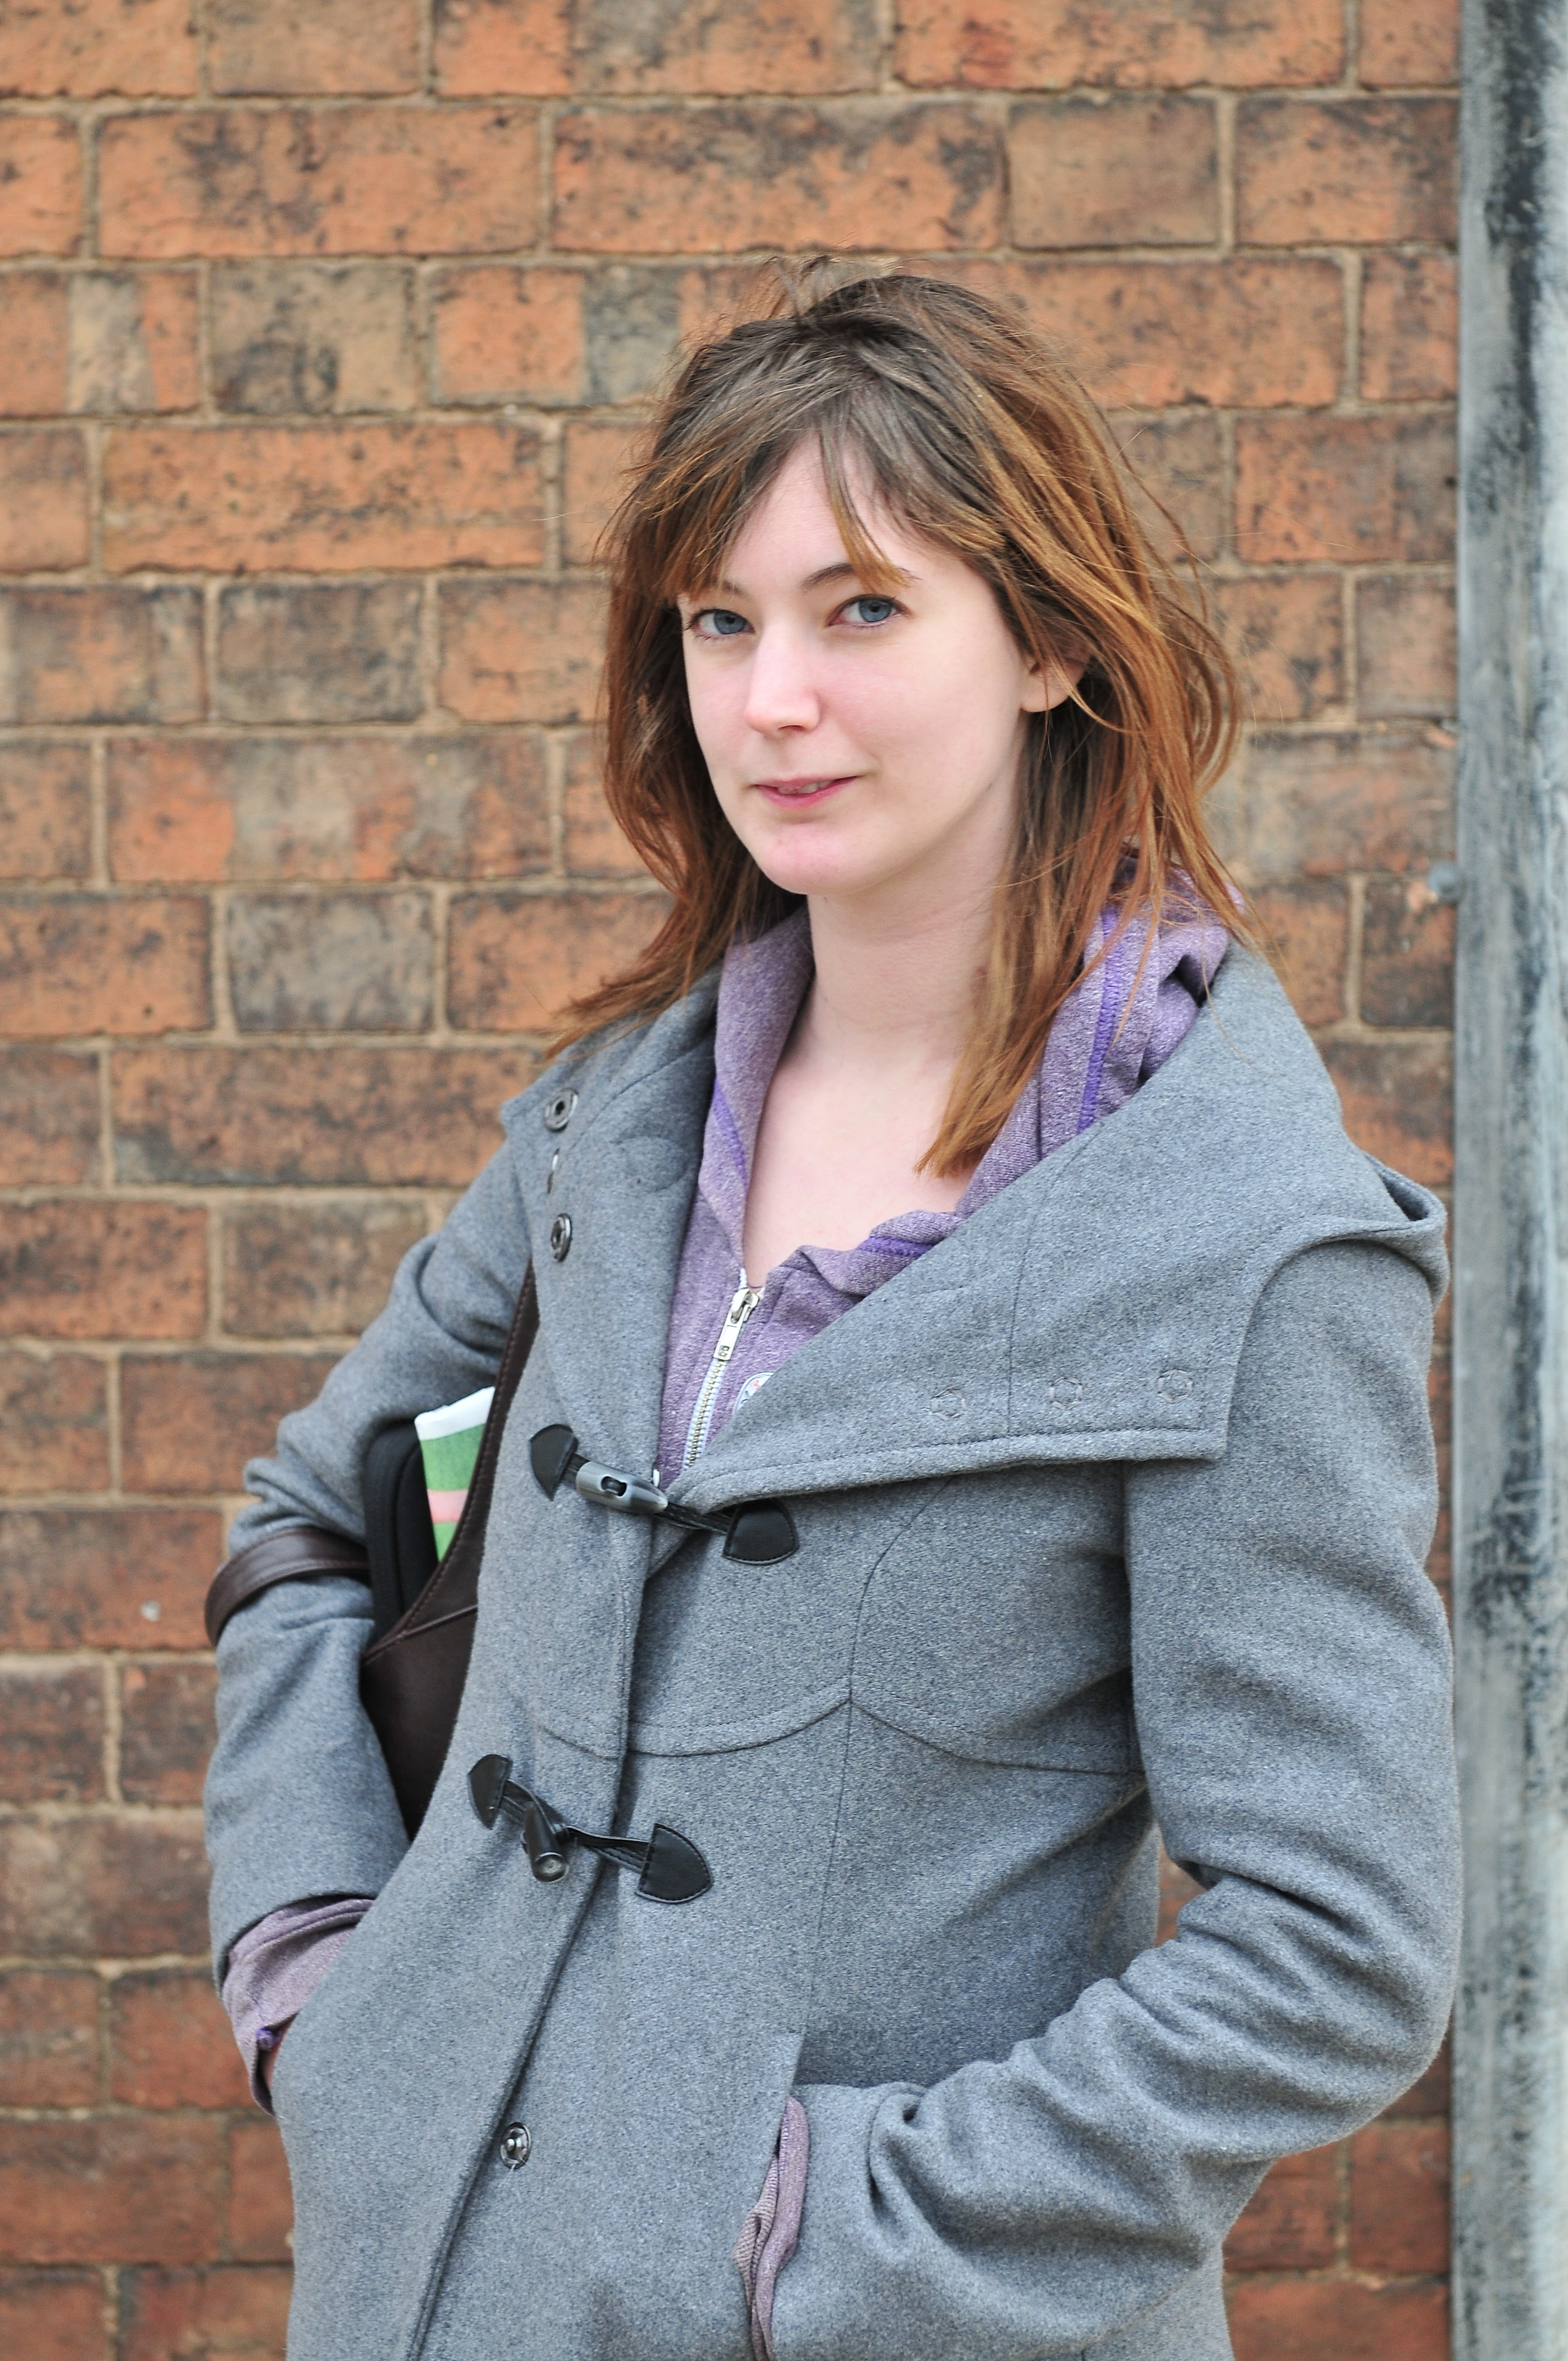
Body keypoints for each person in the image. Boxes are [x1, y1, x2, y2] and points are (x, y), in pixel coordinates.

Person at [204, 268, 1459, 2361]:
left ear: (1053, 639)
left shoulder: (1240, 1241)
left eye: (859, 609)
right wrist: (323, 1970)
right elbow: (314, 1528)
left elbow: (1338, 1942)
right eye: (720, 621)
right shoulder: (611, 1132)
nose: (770, 697)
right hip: (424, 2288)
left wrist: (815, 2237)